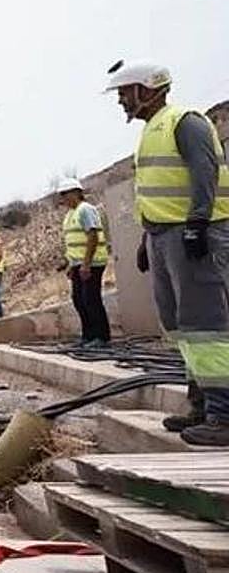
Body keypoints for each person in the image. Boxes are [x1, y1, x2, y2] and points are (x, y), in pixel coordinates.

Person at [106, 60, 229, 446]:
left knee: (205, 325)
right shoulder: (151, 130)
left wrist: (197, 222)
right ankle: (201, 404)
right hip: (164, 236)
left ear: (146, 89)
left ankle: (223, 415)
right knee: (179, 324)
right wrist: (148, 238)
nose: (121, 101)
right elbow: (158, 192)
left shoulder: (184, 122)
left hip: (194, 233)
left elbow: (205, 173)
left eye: (125, 92)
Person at [55, 177, 111, 347]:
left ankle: (101, 336)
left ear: (76, 193)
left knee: (91, 299)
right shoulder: (70, 214)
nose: (63, 198)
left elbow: (92, 236)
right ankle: (88, 335)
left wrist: (86, 264)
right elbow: (73, 242)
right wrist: (71, 264)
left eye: (65, 194)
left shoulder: (85, 210)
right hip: (78, 264)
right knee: (78, 299)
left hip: (92, 262)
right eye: (62, 195)